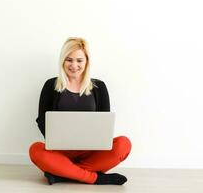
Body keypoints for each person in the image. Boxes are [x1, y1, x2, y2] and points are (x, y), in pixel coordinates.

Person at [29, 37, 132, 185]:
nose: (74, 65)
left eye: (79, 60)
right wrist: (57, 139)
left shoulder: (99, 87)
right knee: (35, 150)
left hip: (91, 153)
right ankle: (94, 178)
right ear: (62, 61)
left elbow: (104, 124)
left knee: (124, 144)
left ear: (86, 62)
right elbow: (42, 120)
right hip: (60, 152)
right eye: (69, 60)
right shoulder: (50, 85)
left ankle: (64, 173)